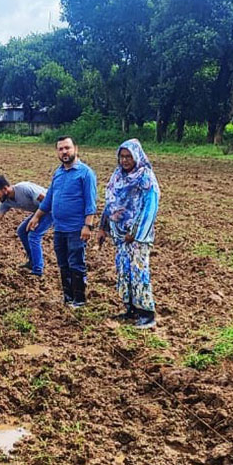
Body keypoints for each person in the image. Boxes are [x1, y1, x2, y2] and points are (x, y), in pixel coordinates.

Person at [27, 136, 97, 308]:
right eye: (61, 149)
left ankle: (79, 300)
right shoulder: (58, 173)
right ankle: (68, 298)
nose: (65, 152)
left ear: (75, 149)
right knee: (63, 263)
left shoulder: (86, 173)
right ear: (57, 152)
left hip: (76, 228)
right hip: (59, 228)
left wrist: (87, 225)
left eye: (67, 148)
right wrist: (37, 217)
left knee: (76, 263)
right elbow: (49, 198)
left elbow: (91, 202)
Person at [97, 139, 160, 329]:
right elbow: (111, 204)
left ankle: (147, 314)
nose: (124, 160)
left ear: (137, 156)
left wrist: (136, 232)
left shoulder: (146, 177)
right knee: (124, 271)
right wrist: (103, 227)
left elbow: (151, 206)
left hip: (138, 237)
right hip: (120, 234)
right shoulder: (117, 176)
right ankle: (130, 309)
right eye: (122, 157)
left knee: (138, 271)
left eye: (128, 157)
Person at [0, 175, 51, 276]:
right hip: (39, 211)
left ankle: (38, 270)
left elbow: (47, 201)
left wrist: (37, 218)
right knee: (21, 231)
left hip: (52, 208)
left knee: (34, 235)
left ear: (5, 189)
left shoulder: (24, 188)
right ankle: (32, 262)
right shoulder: (5, 202)